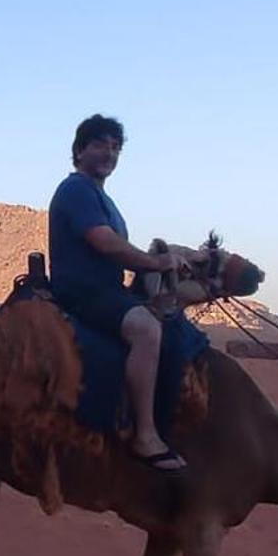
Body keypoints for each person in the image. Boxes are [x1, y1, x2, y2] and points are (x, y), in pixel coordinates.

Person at [48, 114, 186, 471]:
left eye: (115, 147)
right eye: (100, 145)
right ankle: (144, 434)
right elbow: (105, 243)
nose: (109, 153)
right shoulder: (76, 190)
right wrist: (154, 263)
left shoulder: (101, 198)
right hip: (83, 291)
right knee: (146, 328)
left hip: (106, 290)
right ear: (79, 151)